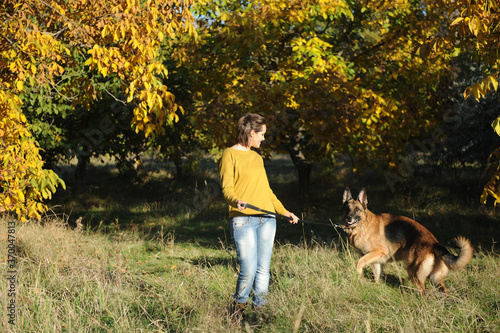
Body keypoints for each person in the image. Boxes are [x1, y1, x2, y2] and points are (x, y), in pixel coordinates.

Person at [218, 113, 299, 315]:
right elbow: (226, 188)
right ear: (251, 133)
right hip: (243, 220)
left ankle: (259, 311)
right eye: (262, 134)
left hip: (268, 219)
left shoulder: (256, 157)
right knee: (248, 269)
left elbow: (266, 191)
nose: (264, 138)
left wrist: (284, 211)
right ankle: (238, 310)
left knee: (263, 269)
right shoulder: (229, 155)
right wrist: (235, 200)